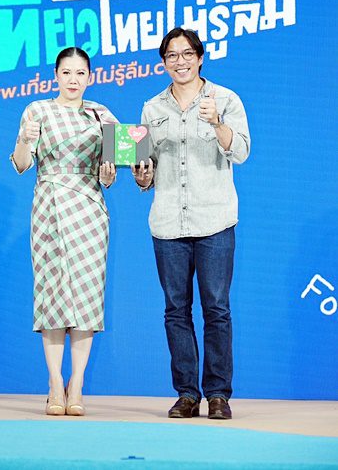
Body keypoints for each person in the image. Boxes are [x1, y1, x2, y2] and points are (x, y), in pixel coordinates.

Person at [132, 28, 250, 420]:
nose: (179, 62)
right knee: (176, 311)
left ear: (200, 58)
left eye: (186, 54)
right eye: (171, 55)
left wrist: (216, 123)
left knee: (216, 309)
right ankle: (187, 393)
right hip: (168, 222)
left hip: (214, 219)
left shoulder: (225, 99)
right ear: (163, 62)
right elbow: (146, 169)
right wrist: (142, 175)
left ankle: (218, 394)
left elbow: (242, 151)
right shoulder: (152, 107)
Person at [10, 47, 117, 416]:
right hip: (50, 205)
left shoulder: (102, 114)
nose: (73, 80)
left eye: (80, 73)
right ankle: (55, 382)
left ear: (90, 77)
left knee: (87, 294)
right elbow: (21, 165)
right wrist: (25, 140)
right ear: (56, 75)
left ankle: (78, 384)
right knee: (52, 292)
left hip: (89, 207)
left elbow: (114, 170)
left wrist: (109, 173)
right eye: (67, 72)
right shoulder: (37, 110)